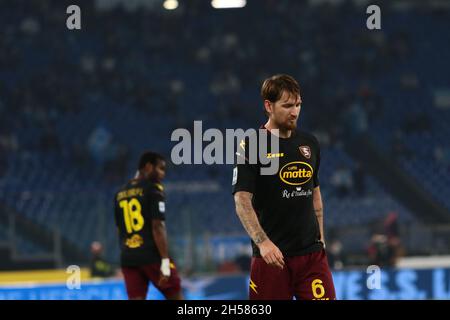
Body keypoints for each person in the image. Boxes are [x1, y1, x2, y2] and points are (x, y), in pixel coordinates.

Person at [232, 74, 336, 300]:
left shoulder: (309, 143)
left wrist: (321, 236)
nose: (295, 111)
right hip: (272, 259)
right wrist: (264, 243)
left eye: (298, 105)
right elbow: (241, 201)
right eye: (287, 105)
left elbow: (315, 193)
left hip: (311, 256)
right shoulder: (252, 145)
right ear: (268, 106)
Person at [114, 151, 183, 300]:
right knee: (175, 296)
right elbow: (157, 226)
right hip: (152, 256)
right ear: (148, 166)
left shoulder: (119, 193)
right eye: (160, 168)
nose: (163, 174)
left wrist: (128, 250)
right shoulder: (153, 189)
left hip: (129, 258)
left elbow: (119, 229)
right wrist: (164, 260)